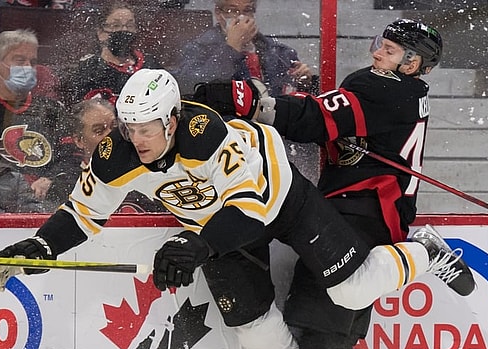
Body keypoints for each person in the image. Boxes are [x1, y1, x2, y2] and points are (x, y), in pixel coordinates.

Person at [0, 68, 474, 349]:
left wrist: (192, 243)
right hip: (211, 230)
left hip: (280, 203)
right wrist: (39, 245)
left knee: (353, 289)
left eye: (149, 128)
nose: (139, 140)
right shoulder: (116, 156)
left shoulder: (210, 136)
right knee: (253, 330)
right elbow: (81, 214)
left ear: (173, 120)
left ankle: (425, 252)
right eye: (130, 127)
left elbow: (248, 209)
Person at [192, 18, 446, 349]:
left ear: (413, 63)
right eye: (378, 43)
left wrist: (248, 102)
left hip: (354, 220)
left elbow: (313, 120)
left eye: (390, 49)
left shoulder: (381, 87)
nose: (377, 52)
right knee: (339, 341)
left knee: (315, 336)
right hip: (379, 221)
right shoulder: (407, 92)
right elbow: (338, 120)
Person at [0, 29, 82, 212]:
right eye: (19, 60)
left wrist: (51, 179)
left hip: (51, 202)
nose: (27, 68)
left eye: (32, 62)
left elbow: (73, 157)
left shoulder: (51, 109)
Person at [172, 0, 316, 97]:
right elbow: (191, 87)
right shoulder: (199, 48)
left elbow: (295, 101)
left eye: (247, 10)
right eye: (232, 10)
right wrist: (232, 47)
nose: (240, 17)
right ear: (218, 13)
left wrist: (305, 84)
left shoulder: (279, 51)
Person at [68, 96, 165, 213]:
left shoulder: (153, 170)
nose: (111, 136)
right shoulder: (67, 182)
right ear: (79, 140)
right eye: (99, 131)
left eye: (114, 127)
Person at [60, 1, 162, 107]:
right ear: (101, 33)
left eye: (130, 25)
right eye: (116, 25)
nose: (124, 30)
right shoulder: (90, 70)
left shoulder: (149, 64)